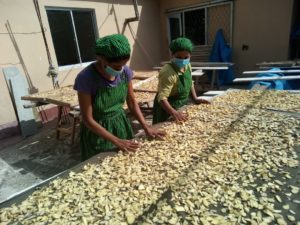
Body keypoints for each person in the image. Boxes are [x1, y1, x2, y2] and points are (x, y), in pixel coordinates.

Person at [74, 34, 165, 161]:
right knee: (103, 166)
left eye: (124, 64)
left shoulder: (125, 72)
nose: (121, 69)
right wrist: (116, 141)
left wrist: (146, 126)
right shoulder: (86, 78)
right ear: (101, 58)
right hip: (98, 131)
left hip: (120, 123)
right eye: (117, 66)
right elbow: (88, 119)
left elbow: (132, 102)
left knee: (125, 161)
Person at [152, 37, 210, 124]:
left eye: (186, 57)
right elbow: (162, 98)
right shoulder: (167, 72)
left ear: (190, 56)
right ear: (172, 55)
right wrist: (174, 113)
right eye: (179, 57)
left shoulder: (187, 66)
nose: (183, 60)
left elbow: (190, 83)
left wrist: (195, 99)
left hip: (181, 104)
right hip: (167, 107)